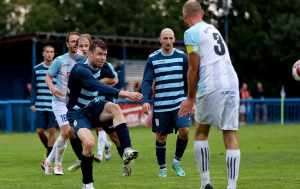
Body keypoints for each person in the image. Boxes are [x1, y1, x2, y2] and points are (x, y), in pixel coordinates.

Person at [178, 1, 241, 189]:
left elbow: (193, 69)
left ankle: (205, 183)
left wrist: (190, 98)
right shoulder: (213, 29)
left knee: (200, 132)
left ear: (184, 15)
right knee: (230, 135)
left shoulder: (191, 33)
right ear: (203, 13)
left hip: (212, 84)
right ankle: (231, 186)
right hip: (232, 82)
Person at [67, 39, 142, 189]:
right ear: (90, 54)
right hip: (78, 113)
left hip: (94, 106)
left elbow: (113, 78)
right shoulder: (80, 69)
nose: (102, 57)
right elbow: (98, 86)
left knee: (115, 108)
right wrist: (126, 93)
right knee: (89, 144)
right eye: (99, 54)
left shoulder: (101, 64)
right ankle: (87, 184)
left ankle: (126, 150)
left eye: (105, 54)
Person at [141, 28, 191, 178]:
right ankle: (162, 168)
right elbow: (147, 81)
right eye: (165, 38)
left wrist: (191, 100)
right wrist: (144, 100)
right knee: (161, 137)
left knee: (185, 130)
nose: (168, 41)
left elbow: (189, 80)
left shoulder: (182, 57)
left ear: (174, 40)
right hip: (162, 105)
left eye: (170, 38)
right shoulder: (152, 58)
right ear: (160, 40)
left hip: (179, 103)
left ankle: (176, 161)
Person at [43, 31, 80, 175]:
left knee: (66, 134)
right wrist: (52, 88)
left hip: (75, 104)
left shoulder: (84, 61)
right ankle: (58, 164)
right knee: (66, 131)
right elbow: (48, 76)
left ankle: (48, 161)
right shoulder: (60, 60)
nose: (76, 44)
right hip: (59, 102)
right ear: (67, 44)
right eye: (72, 41)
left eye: (78, 41)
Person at [30, 45, 57, 160]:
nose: (49, 54)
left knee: (52, 130)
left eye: (51, 52)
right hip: (40, 104)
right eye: (47, 51)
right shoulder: (37, 68)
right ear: (43, 54)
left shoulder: (57, 69)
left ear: (54, 54)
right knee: (40, 131)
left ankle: (50, 157)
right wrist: (32, 103)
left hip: (54, 104)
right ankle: (50, 148)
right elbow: (33, 87)